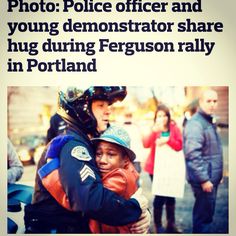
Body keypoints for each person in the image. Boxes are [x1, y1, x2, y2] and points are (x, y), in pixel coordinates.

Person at [24, 86, 150, 234]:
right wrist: (134, 208)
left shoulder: (88, 142)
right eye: (101, 105)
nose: (108, 110)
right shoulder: (72, 145)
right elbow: (90, 199)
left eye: (108, 105)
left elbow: (116, 183)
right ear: (82, 109)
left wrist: (143, 211)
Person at [183, 89, 223, 233]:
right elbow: (192, 155)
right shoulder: (195, 124)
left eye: (215, 101)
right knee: (203, 218)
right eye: (209, 101)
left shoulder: (208, 120)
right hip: (204, 181)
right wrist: (204, 179)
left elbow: (212, 151)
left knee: (206, 215)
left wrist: (218, 175)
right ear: (200, 102)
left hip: (211, 177)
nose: (212, 104)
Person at [89, 125, 139, 233]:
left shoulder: (120, 177)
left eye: (111, 154)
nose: (102, 160)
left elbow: (91, 198)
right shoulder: (125, 171)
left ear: (125, 160)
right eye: (98, 153)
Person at [142, 104, 182, 233]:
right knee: (160, 195)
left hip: (170, 168)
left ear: (168, 116)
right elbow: (146, 144)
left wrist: (167, 140)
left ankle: (171, 224)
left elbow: (179, 146)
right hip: (155, 168)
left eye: (164, 115)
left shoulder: (174, 128)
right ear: (156, 117)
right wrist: (153, 131)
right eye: (159, 115)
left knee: (171, 195)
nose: (162, 118)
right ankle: (158, 225)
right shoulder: (155, 129)